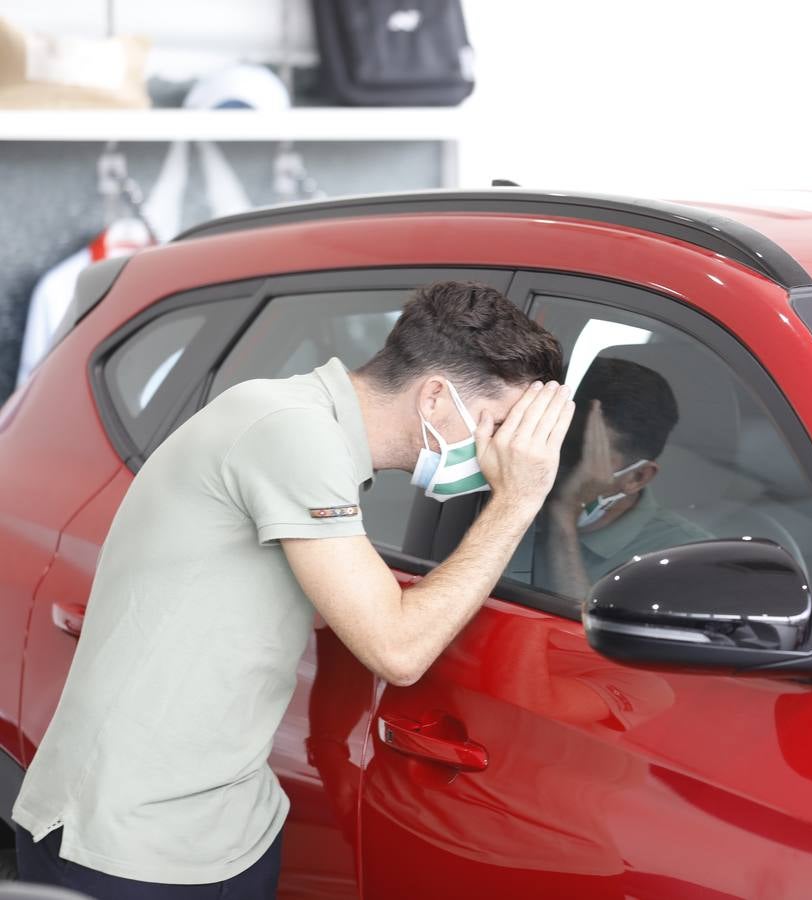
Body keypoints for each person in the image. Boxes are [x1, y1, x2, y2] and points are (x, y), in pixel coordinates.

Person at [9, 281, 575, 898]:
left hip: (234, 828)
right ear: (434, 396)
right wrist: (518, 499)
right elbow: (398, 649)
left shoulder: (315, 432)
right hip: (126, 843)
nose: (499, 451)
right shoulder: (288, 431)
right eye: (497, 425)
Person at [540, 357, 712, 599]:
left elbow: (581, 635)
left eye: (577, 452)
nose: (551, 458)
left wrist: (564, 515)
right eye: (550, 436)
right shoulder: (506, 485)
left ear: (637, 477)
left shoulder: (686, 561)